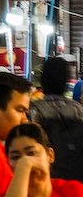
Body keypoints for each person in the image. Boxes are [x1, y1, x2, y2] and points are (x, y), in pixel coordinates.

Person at [29, 56, 83, 184]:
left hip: (48, 179)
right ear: (65, 82)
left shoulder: (34, 110)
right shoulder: (79, 110)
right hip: (78, 179)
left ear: (43, 80)